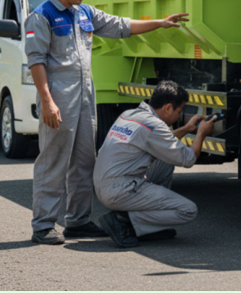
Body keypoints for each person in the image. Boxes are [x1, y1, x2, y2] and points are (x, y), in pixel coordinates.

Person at [26, 0, 188, 245]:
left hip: (86, 96)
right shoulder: (42, 17)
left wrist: (160, 24)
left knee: (85, 162)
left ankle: (77, 221)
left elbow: (120, 26)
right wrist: (47, 102)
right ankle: (43, 225)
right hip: (59, 98)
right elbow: (36, 61)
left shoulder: (84, 12)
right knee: (53, 162)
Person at [93, 80, 217, 248]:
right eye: (179, 111)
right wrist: (201, 133)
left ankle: (147, 227)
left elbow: (159, 142)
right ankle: (123, 221)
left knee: (166, 162)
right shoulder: (154, 126)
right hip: (119, 190)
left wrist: (186, 129)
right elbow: (188, 159)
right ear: (167, 108)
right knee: (188, 210)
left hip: (105, 184)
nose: (178, 116)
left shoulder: (130, 114)